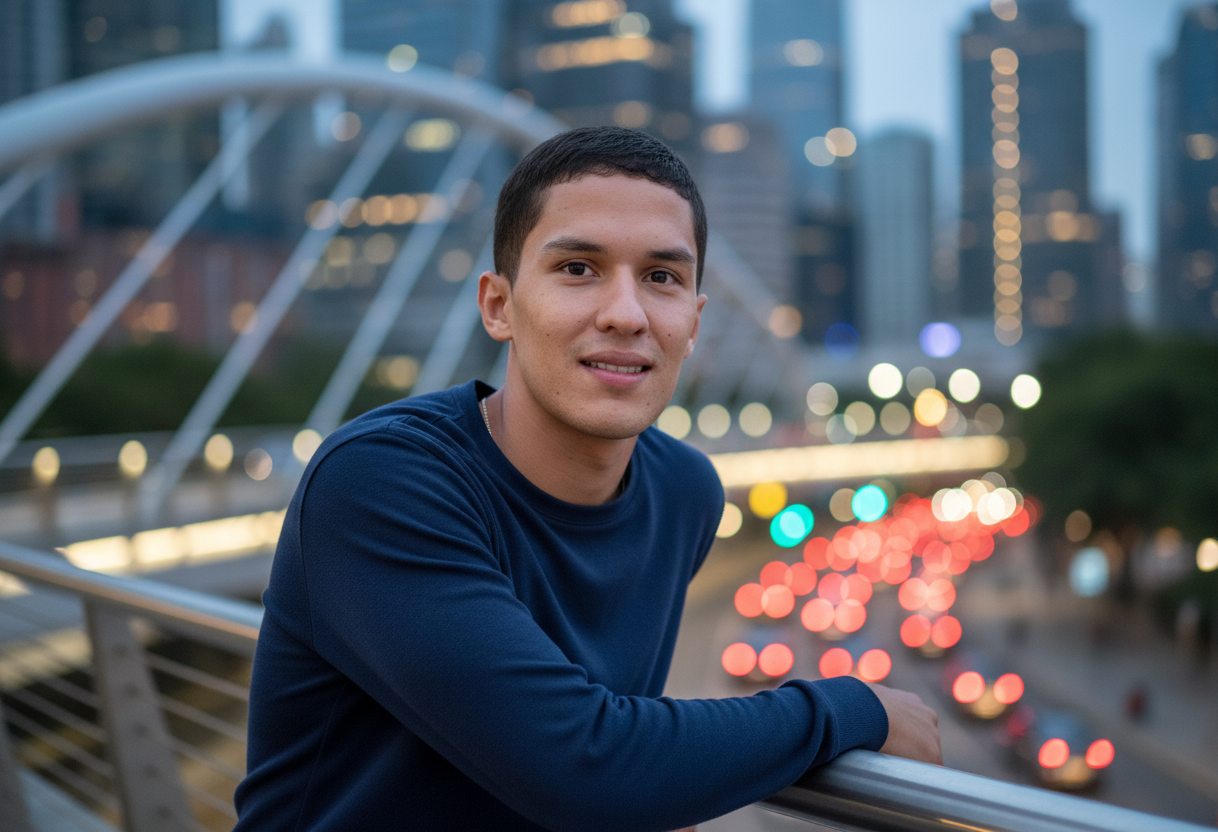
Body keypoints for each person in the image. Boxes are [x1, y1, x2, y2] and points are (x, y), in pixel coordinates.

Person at [234, 126, 940, 832]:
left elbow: (624, 775)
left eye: (662, 278)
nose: (626, 314)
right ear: (498, 306)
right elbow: (586, 767)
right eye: (578, 268)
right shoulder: (379, 481)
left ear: (693, 323)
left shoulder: (684, 494)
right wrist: (859, 707)